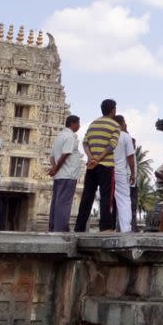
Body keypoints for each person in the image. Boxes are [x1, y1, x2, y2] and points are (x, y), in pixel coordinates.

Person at [73, 99, 120, 232]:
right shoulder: (115, 125)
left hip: (91, 165)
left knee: (87, 196)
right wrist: (98, 158)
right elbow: (112, 145)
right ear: (113, 110)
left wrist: (91, 158)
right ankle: (105, 227)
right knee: (106, 196)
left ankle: (79, 227)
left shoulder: (93, 124)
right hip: (106, 165)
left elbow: (85, 142)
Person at [47, 115, 82, 232]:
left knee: (56, 202)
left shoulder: (59, 136)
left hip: (59, 175)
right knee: (64, 203)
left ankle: (53, 228)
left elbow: (52, 157)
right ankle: (60, 230)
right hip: (68, 174)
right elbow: (65, 154)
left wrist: (54, 168)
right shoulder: (70, 136)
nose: (79, 126)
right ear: (72, 123)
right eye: (78, 123)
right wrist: (56, 169)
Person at [112, 115, 136, 232]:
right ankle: (126, 228)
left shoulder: (110, 136)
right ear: (121, 123)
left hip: (109, 172)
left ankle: (108, 227)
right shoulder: (126, 137)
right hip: (121, 172)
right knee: (125, 200)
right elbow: (130, 156)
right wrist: (133, 173)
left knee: (108, 201)